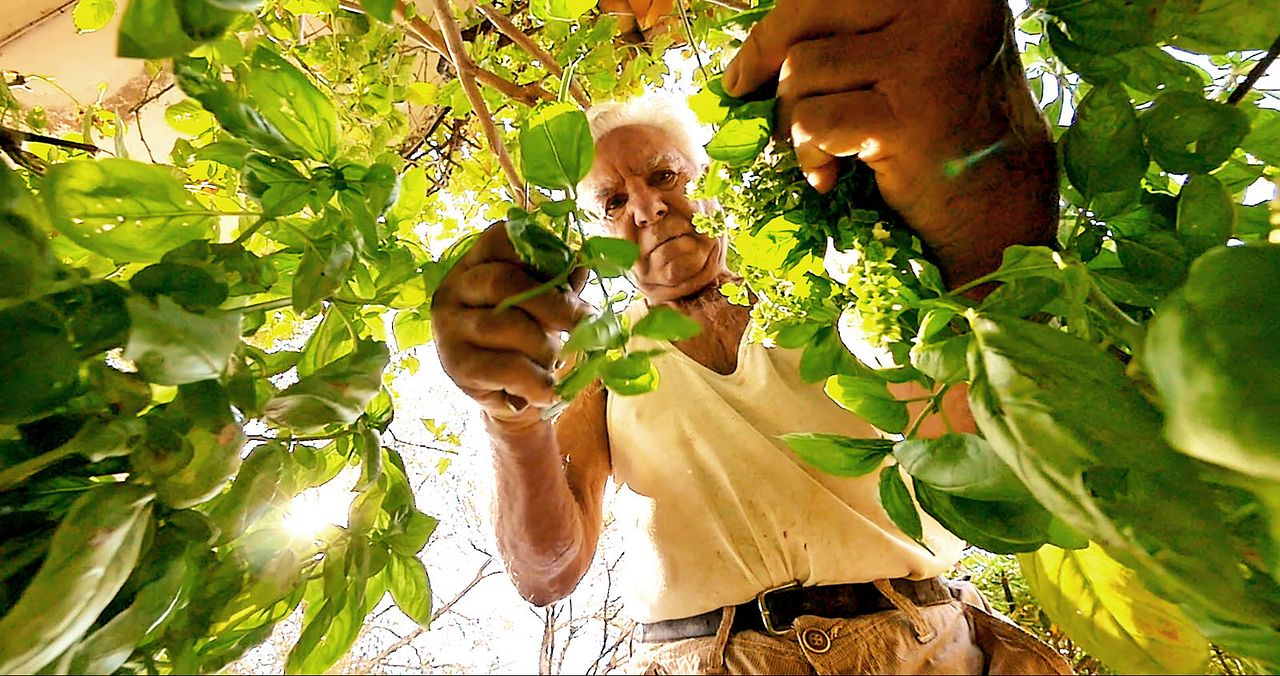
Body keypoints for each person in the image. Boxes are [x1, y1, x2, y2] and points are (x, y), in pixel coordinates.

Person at [431, 0, 1068, 673]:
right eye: (613, 202)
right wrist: (512, 413)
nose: (645, 207)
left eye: (664, 176)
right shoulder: (598, 355)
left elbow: (983, 432)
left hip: (920, 644)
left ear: (710, 185)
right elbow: (547, 572)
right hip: (702, 657)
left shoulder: (837, 282)